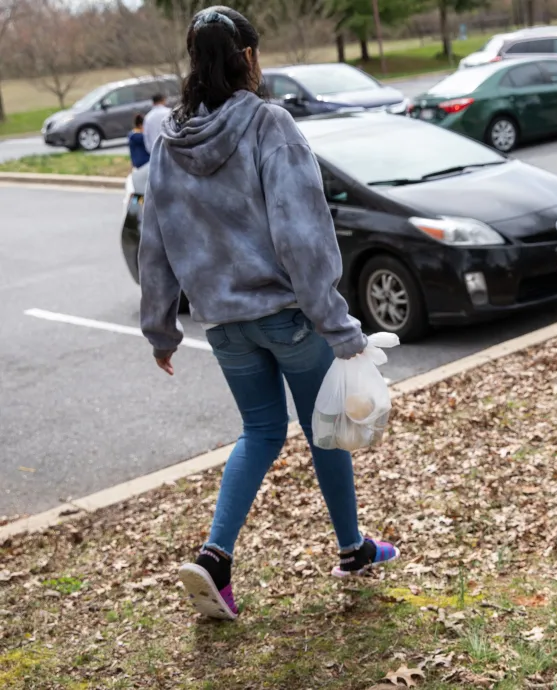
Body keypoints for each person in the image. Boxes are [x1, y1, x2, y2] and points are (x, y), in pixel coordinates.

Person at [138, 6, 399, 622]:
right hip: (287, 316)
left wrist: (161, 331)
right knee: (325, 428)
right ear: (248, 58)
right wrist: (338, 325)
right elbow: (302, 236)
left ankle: (216, 557)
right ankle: (353, 549)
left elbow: (156, 241)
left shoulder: (168, 144)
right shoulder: (269, 124)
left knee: (259, 433)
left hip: (224, 324)